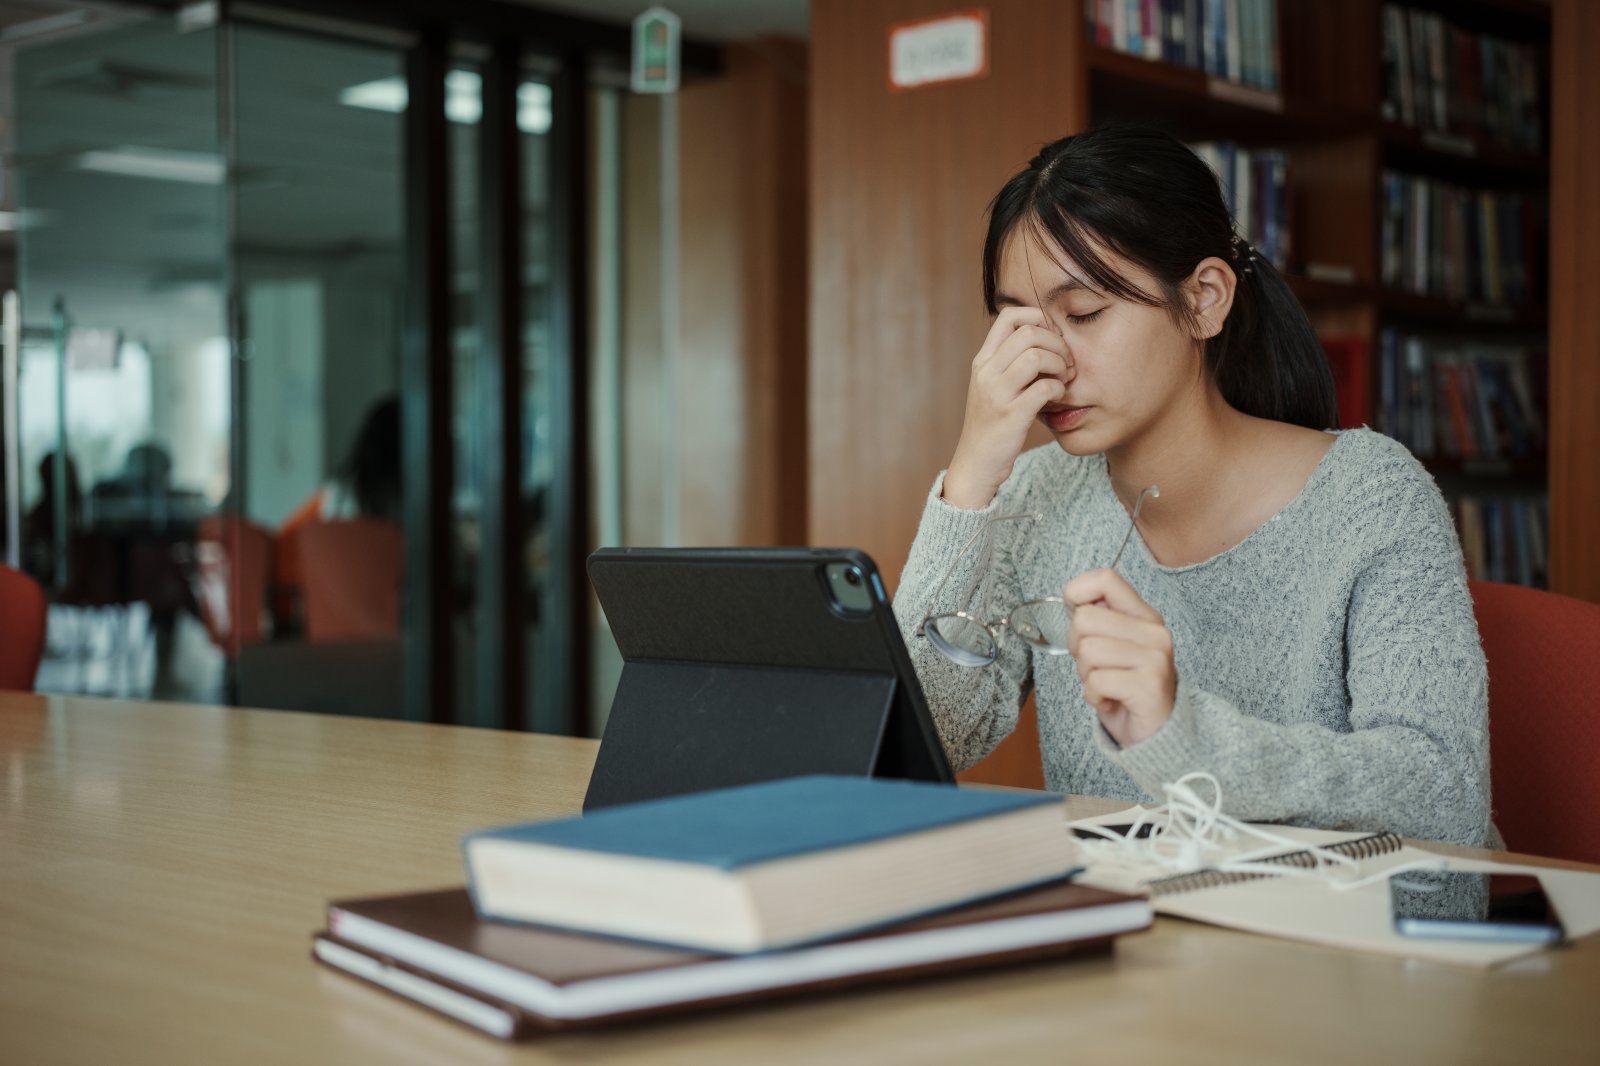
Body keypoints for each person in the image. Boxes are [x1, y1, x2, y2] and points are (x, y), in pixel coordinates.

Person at [894, 126, 1491, 848]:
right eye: (1018, 322)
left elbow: (1443, 794)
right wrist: (973, 473)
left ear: (1206, 299)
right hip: (1140, 935)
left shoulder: (1371, 495)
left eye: (1083, 314)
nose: (1045, 360)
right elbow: (925, 739)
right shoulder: (1036, 493)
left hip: (1331, 937)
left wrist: (1185, 737)